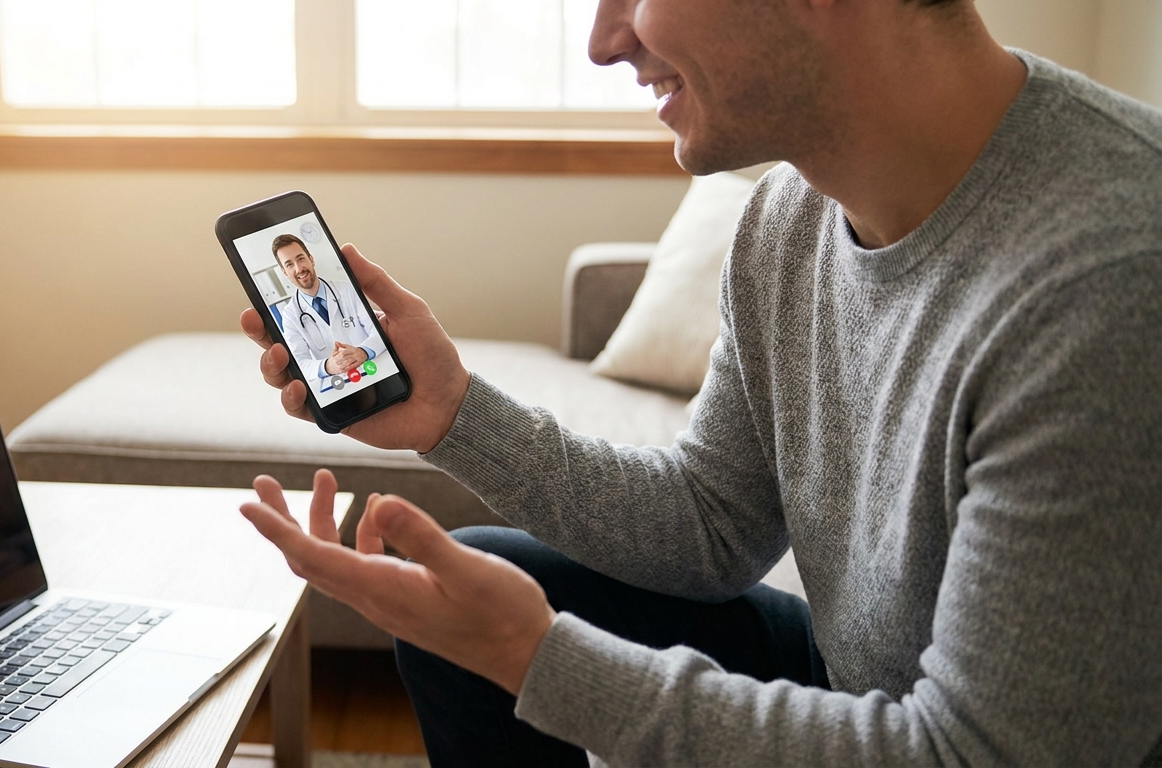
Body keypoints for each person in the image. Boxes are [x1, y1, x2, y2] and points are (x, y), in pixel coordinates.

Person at [238, 0, 1162, 765]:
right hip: (858, 678)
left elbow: (978, 755)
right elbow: (713, 524)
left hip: (959, 741)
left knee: (505, 636)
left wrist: (539, 659)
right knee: (473, 590)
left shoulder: (1111, 278)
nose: (604, 42)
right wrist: (454, 414)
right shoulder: (788, 217)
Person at [271, 233, 385, 387]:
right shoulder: (290, 315)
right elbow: (300, 364)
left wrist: (363, 351)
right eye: (289, 264)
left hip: (375, 369)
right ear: (284, 272)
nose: (298, 269)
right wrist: (328, 366)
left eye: (301, 259)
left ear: (311, 259)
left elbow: (379, 331)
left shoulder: (347, 289)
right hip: (338, 386)